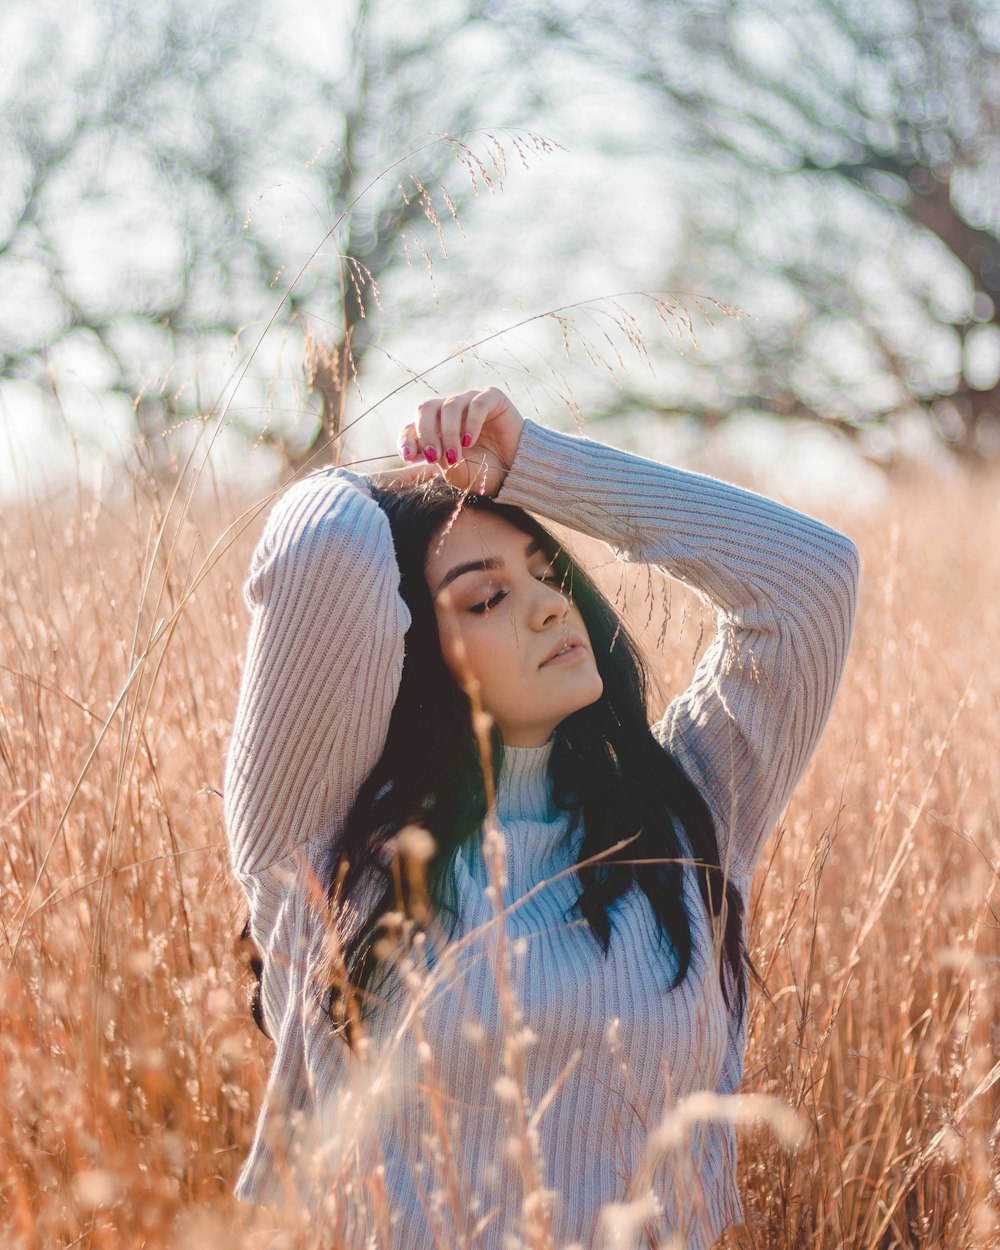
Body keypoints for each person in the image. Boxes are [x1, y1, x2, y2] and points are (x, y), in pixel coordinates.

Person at [224, 387, 860, 1249]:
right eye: (486, 598)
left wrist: (537, 466)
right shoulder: (326, 852)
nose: (553, 606)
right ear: (411, 654)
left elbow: (811, 578)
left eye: (550, 573)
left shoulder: (685, 811)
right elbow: (322, 548)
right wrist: (391, 478)